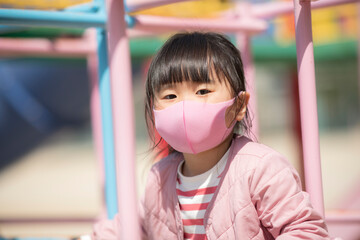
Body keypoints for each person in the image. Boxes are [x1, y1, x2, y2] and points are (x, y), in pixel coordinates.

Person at [91, 32, 330, 239]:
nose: (184, 107)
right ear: (153, 109)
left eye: (202, 91)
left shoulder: (261, 169)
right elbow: (130, 227)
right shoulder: (160, 178)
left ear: (239, 106)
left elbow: (305, 230)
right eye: (170, 97)